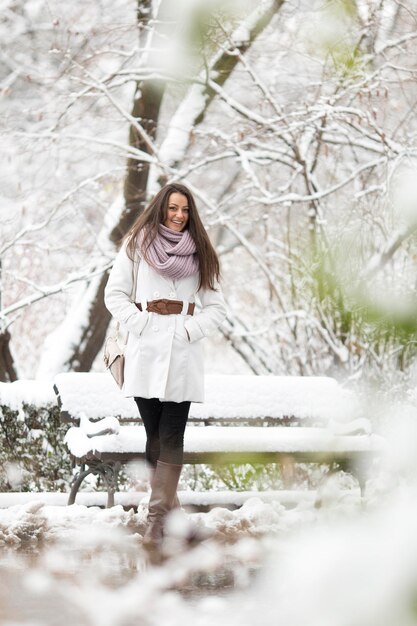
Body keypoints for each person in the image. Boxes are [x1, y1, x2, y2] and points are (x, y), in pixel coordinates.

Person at [104, 182, 227, 552]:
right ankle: (175, 521)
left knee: (172, 436)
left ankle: (156, 522)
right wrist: (139, 324)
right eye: (172, 208)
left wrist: (189, 330)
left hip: (182, 355)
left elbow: (218, 308)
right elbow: (114, 294)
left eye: (185, 210)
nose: (178, 215)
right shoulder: (137, 245)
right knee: (154, 436)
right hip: (144, 351)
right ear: (161, 208)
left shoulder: (201, 252)